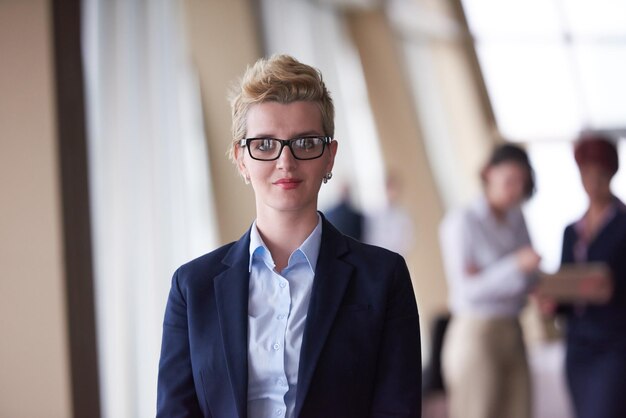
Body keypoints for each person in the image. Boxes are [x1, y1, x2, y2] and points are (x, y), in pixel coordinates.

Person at [156, 54, 422, 418]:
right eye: (264, 144)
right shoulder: (192, 287)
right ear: (240, 159)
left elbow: (397, 410)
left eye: (305, 142)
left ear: (329, 157)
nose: (286, 161)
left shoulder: (383, 277)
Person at [439, 144, 540, 418]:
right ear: (488, 174)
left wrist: (494, 275)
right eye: (510, 181)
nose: (516, 190)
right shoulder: (462, 221)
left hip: (514, 330)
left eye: (522, 183)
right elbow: (467, 290)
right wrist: (515, 265)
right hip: (477, 334)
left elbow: (530, 277)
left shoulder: (517, 219)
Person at [559, 134, 626, 418]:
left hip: (615, 342)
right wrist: (552, 298)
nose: (592, 182)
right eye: (586, 174)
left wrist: (612, 286)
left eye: (600, 174)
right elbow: (565, 286)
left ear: (612, 174)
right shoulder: (571, 232)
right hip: (577, 345)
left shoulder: (623, 224)